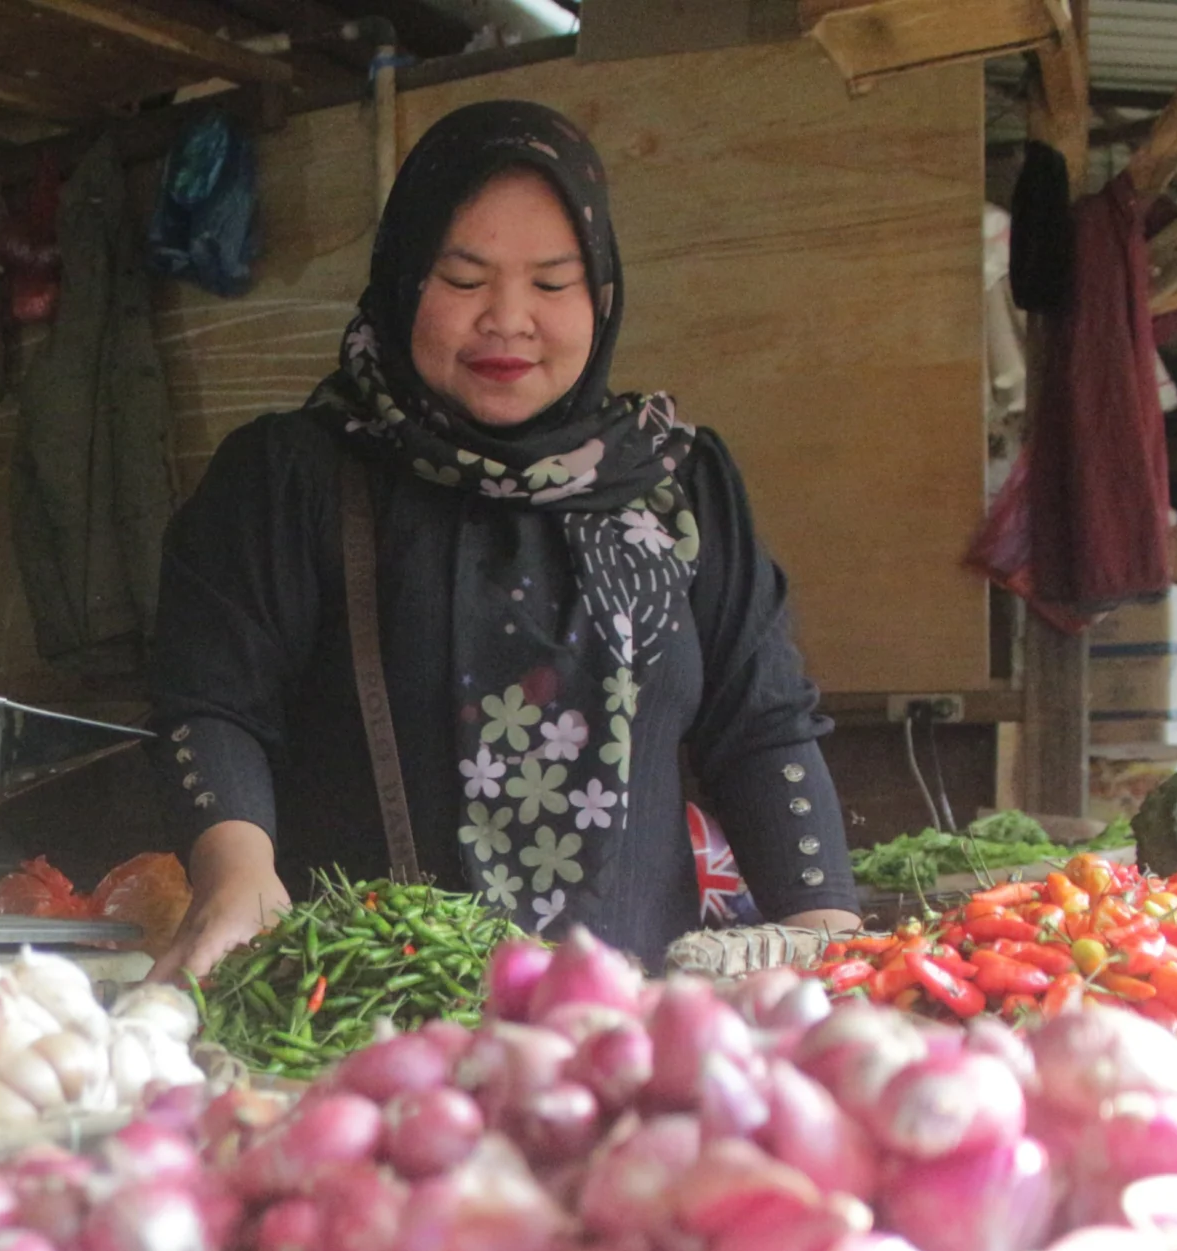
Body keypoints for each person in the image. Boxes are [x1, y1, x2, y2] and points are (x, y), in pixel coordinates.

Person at [146, 100, 860, 979]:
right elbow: (215, 704)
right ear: (404, 277)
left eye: (552, 283)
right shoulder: (293, 476)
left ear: (600, 295)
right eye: (463, 277)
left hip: (629, 1044)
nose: (509, 318)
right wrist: (238, 874)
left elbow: (762, 727)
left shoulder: (679, 483)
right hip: (361, 1031)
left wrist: (829, 933)